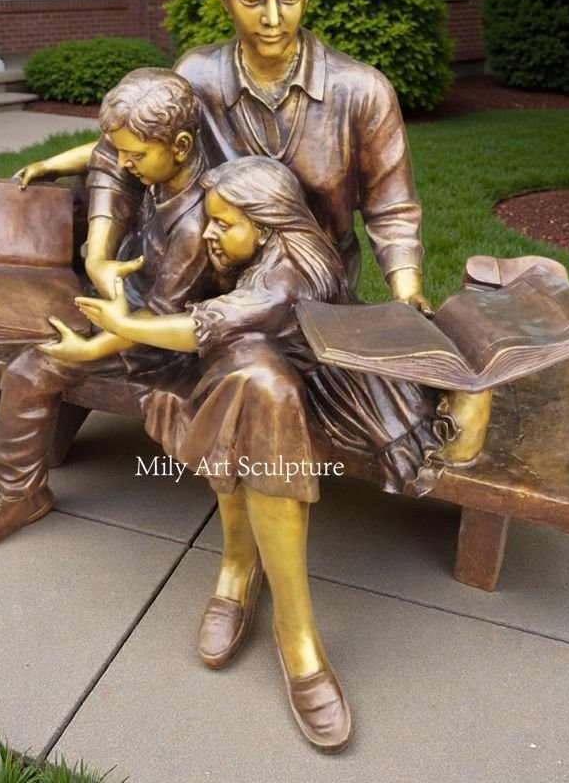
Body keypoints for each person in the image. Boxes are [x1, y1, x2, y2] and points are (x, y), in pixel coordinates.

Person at [77, 156, 451, 753]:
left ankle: (289, 623)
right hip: (252, 366)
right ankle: (241, 571)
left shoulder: (288, 276)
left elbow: (210, 325)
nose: (209, 233)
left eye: (223, 224)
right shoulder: (263, 253)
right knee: (254, 385)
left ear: (269, 222)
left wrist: (122, 325)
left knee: (260, 390)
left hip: (313, 386)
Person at [0, 68, 220, 551]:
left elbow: (159, 322)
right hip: (130, 302)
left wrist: (88, 348)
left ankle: (17, 494)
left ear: (180, 145)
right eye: (122, 150)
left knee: (30, 370)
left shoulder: (199, 225)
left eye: (134, 155)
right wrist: (54, 164)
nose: (124, 162)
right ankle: (22, 492)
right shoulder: (157, 162)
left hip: (171, 336)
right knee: (27, 344)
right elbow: (103, 155)